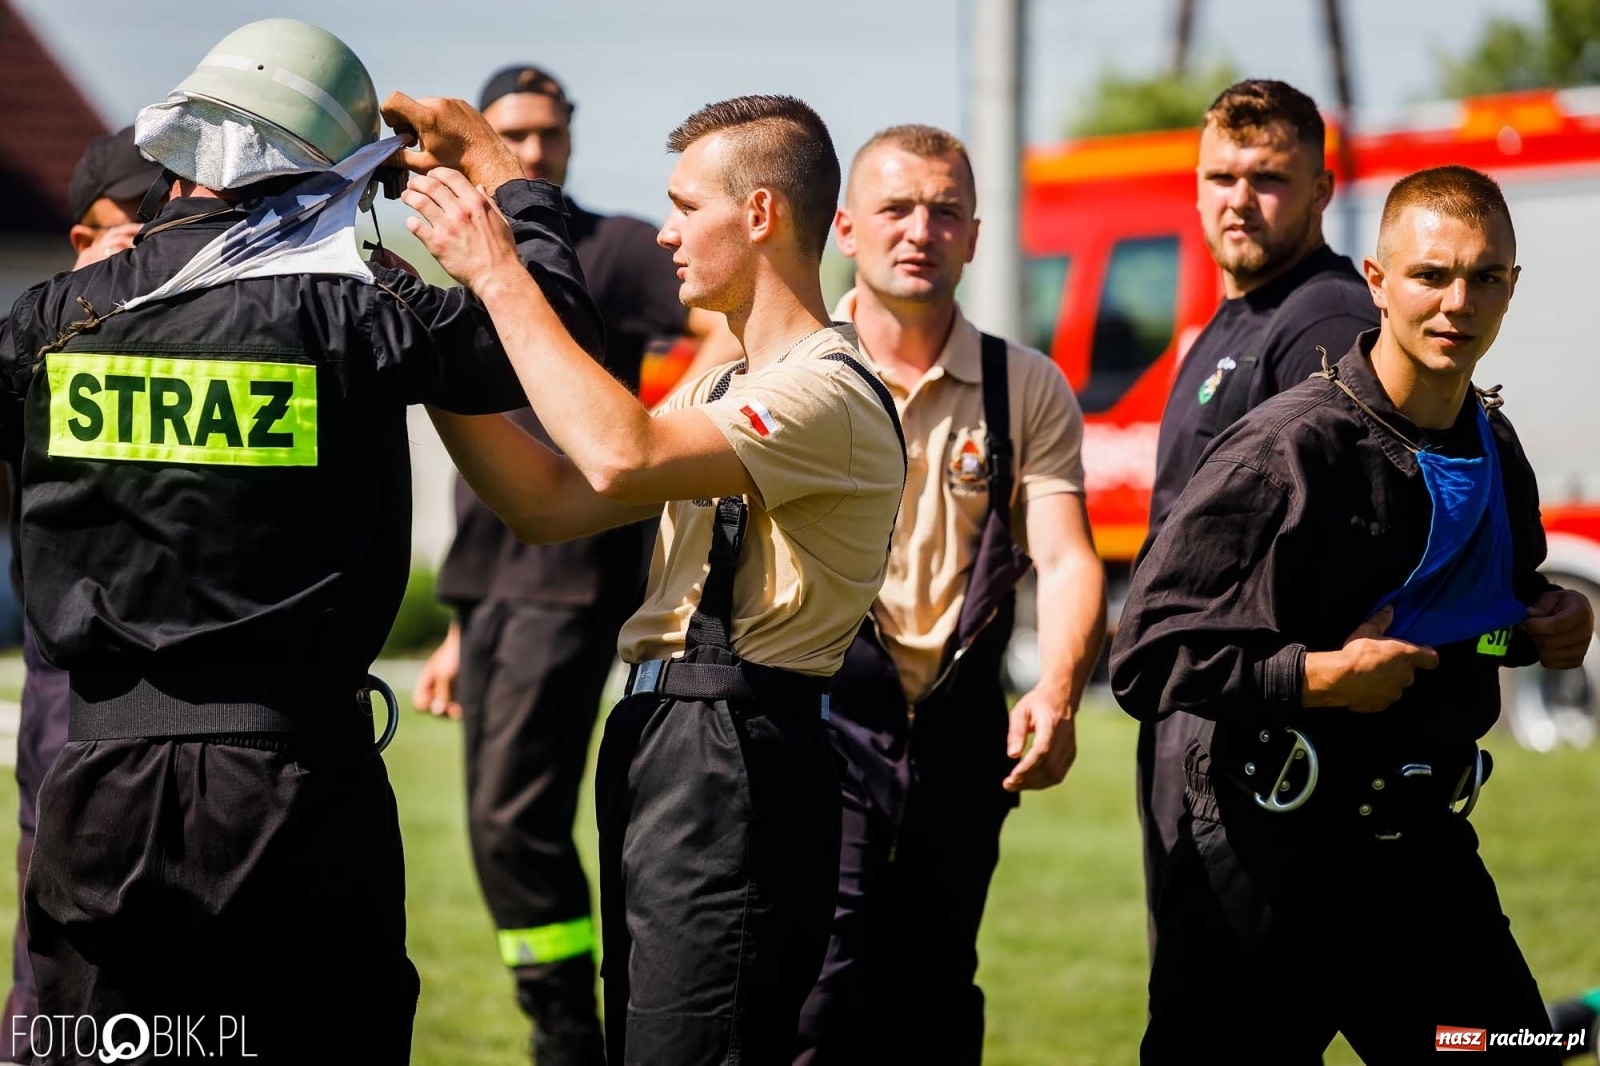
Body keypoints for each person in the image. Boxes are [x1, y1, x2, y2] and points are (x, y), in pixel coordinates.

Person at [1, 19, 602, 1061]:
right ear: (328, 171)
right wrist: (506, 178)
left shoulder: (53, 317)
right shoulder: (363, 310)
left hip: (94, 791)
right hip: (292, 790)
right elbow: (546, 346)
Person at [405, 93, 905, 1065]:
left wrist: (498, 263)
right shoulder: (728, 385)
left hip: (740, 756)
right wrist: (422, 351)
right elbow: (548, 501)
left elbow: (615, 455)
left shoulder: (825, 389)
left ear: (759, 214)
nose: (666, 232)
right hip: (675, 746)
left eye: (685, 206)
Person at [1111, 165, 1595, 1062]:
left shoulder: (1496, 446)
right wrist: (1313, 679)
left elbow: (1485, 621)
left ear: (1513, 287)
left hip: (1421, 865)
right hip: (1264, 866)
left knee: (1508, 1047)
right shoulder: (1284, 450)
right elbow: (1144, 656)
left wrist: (1547, 625)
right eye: (1431, 275)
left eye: (1485, 276)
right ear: (1376, 283)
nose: (1459, 301)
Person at [409, 63, 737, 1066]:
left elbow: (729, 326)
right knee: (501, 822)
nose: (536, 150)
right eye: (515, 132)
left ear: (568, 138)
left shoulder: (617, 248)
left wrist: (668, 433)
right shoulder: (462, 252)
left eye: (549, 134)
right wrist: (464, 628)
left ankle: (568, 1036)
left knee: (515, 822)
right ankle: (563, 1022)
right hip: (495, 582)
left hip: (572, 572)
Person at [793, 124, 1105, 1066]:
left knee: (933, 994)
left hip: (964, 738)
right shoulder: (794, 372)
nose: (919, 229)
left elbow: (1068, 554)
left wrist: (1054, 693)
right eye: (895, 208)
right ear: (846, 228)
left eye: (944, 211)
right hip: (824, 726)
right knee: (818, 990)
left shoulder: (1026, 386)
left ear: (975, 234)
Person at [1134, 79, 1378, 948]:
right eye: (1219, 176)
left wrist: (1284, 684)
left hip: (1263, 741)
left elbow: (1337, 549)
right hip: (1205, 709)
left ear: (1321, 190)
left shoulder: (1327, 317)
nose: (1238, 199)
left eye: (1267, 178)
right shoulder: (1239, 315)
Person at [0, 124, 161, 1063]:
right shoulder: (44, 333)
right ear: (82, 239)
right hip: (79, 686)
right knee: (60, 948)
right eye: (129, 230)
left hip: (207, 694)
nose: (151, 249)